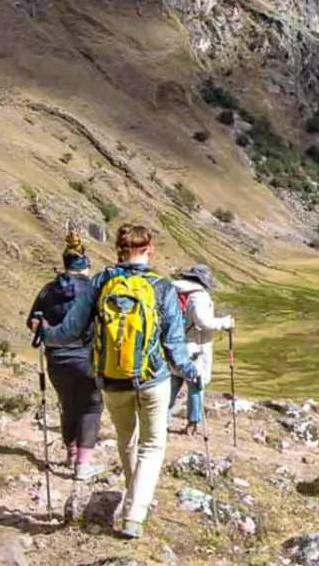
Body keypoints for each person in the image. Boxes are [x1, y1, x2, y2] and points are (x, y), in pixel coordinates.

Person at [32, 223, 197, 539]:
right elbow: (174, 346)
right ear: (149, 249)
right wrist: (191, 372)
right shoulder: (161, 288)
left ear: (119, 250)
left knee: (128, 441)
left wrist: (46, 334)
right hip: (153, 379)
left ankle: (134, 498)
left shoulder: (100, 282)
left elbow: (70, 330)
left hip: (111, 379)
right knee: (153, 444)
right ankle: (135, 513)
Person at [26, 230, 103, 481]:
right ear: (86, 265)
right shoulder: (93, 290)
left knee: (67, 403)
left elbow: (33, 323)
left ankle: (71, 450)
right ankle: (82, 464)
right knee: (91, 405)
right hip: (86, 356)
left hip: (56, 359)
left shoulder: (48, 290)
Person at [169, 264, 234, 435]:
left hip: (173, 345)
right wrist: (224, 323)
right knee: (196, 385)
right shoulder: (199, 296)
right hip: (195, 348)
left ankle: (160, 419)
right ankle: (192, 423)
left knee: (172, 384)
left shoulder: (173, 290)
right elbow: (203, 322)